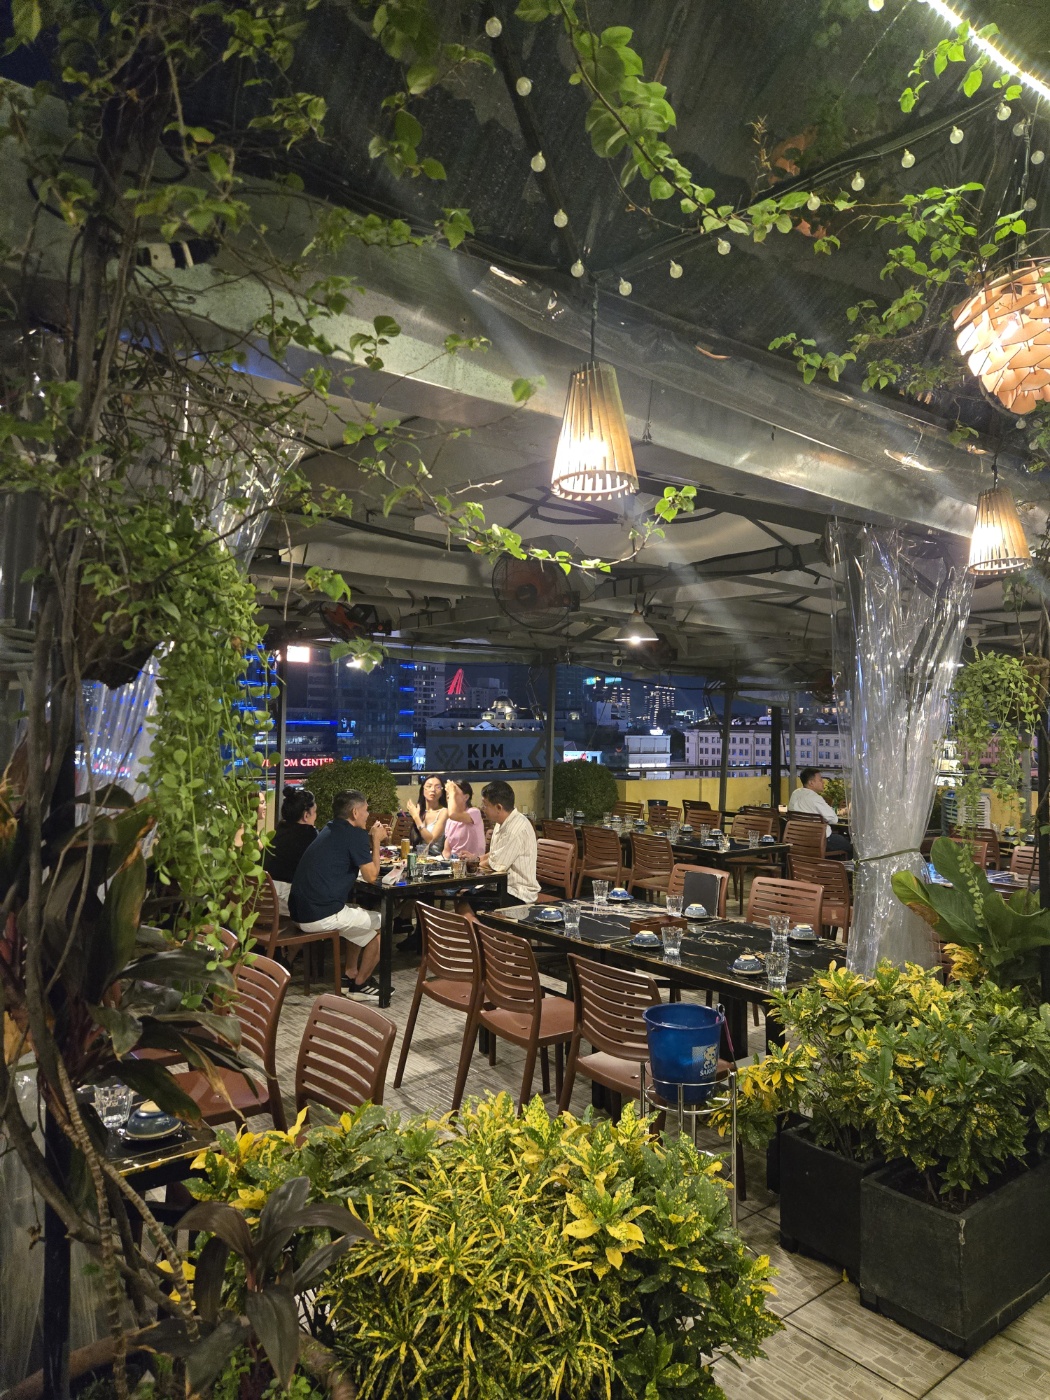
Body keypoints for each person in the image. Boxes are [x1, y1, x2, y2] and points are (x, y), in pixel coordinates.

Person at [289, 789, 389, 999]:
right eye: (366, 810)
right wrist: (376, 841)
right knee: (384, 922)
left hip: (300, 912)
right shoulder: (355, 834)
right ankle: (360, 985)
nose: (368, 815)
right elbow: (371, 876)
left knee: (358, 915)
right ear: (355, 812)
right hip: (319, 914)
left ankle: (350, 975)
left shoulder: (330, 828)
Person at [478, 779, 539, 904]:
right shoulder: (502, 822)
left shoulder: (515, 829)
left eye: (485, 805)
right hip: (502, 886)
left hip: (518, 893)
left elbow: (495, 864)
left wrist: (469, 865)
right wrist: (475, 860)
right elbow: (495, 854)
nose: (482, 808)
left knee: (465, 902)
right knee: (465, 896)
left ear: (498, 807)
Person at [263, 786, 317, 916]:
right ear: (306, 815)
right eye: (315, 812)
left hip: (262, 898)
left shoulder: (279, 830)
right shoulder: (308, 834)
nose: (316, 816)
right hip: (283, 900)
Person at [787, 768, 851, 854]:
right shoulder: (815, 798)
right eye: (820, 780)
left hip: (799, 839)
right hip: (821, 840)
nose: (823, 782)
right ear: (811, 783)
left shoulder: (795, 793)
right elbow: (834, 819)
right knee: (851, 847)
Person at [442, 778, 486, 859]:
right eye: (448, 795)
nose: (449, 796)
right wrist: (446, 860)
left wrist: (452, 792)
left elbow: (453, 814)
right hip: (454, 862)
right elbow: (446, 850)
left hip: (473, 863)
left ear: (466, 797)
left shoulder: (474, 812)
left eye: (454, 793)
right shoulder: (450, 821)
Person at [407, 774, 448, 853]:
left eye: (437, 787)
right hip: (417, 854)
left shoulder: (444, 812)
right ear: (423, 790)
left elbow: (430, 840)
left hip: (434, 857)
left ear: (442, 792)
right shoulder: (420, 810)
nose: (433, 790)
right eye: (429, 786)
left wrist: (416, 817)